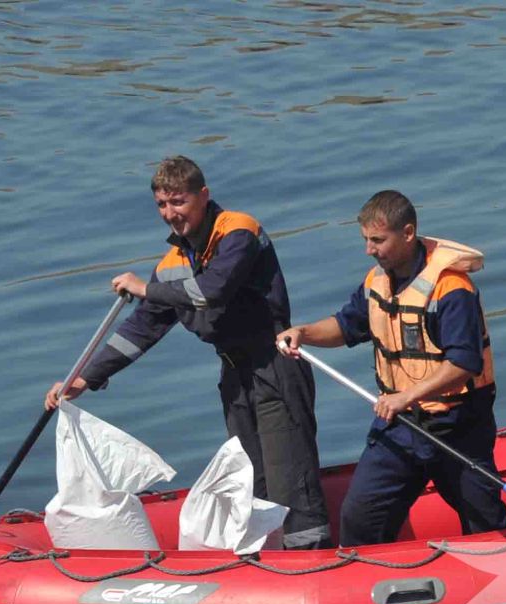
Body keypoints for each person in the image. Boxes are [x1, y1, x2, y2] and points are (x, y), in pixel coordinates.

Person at [45, 155, 331, 548]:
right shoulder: (173, 263)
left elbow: (210, 291)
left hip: (273, 366)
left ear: (203, 196)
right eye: (162, 204)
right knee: (251, 481)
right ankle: (267, 567)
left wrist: (145, 288)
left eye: (178, 202)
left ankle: (311, 563)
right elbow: (142, 328)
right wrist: (87, 377)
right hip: (234, 377)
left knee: (289, 479)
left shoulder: (238, 233)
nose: (170, 213)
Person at [276, 190, 506, 546]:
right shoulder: (377, 282)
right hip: (400, 425)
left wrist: (406, 397)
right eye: (366, 240)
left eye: (378, 240)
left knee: (483, 522)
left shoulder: (450, 288)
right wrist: (303, 333)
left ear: (408, 233)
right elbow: (346, 325)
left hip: (457, 425)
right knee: (360, 517)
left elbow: (463, 364)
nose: (369, 249)